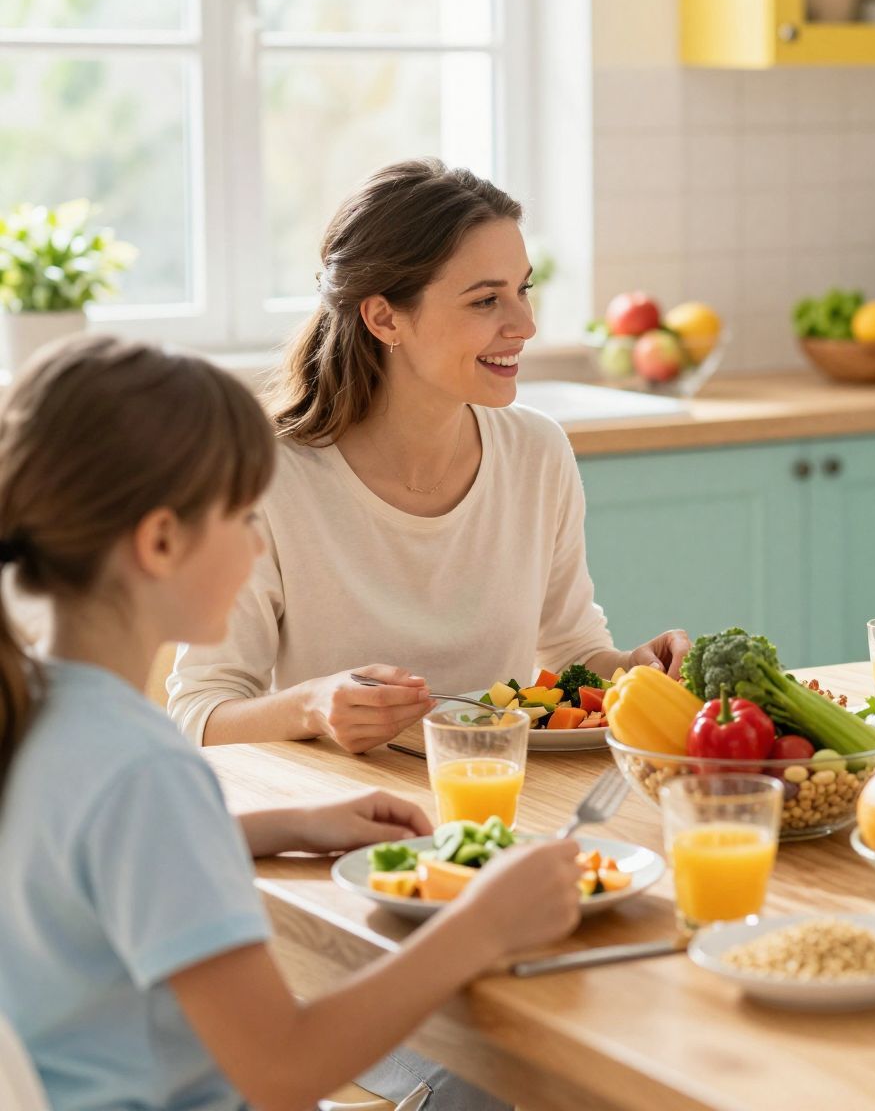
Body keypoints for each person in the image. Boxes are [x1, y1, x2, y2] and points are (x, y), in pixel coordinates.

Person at [0, 335, 584, 1110]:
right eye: (242, 517)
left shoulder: (43, 710)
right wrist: (482, 925)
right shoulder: (143, 773)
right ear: (161, 541)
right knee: (506, 1082)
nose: (255, 543)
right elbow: (278, 1071)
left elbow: (88, 866)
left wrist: (284, 825)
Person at [167, 159, 691, 751]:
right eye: (485, 301)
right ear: (385, 316)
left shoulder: (536, 453)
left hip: (503, 795)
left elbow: (570, 649)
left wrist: (635, 669)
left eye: (522, 290)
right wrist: (312, 707)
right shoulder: (264, 480)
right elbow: (198, 712)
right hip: (345, 815)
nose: (525, 324)